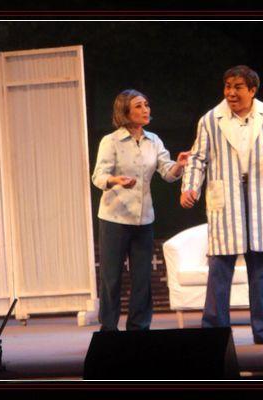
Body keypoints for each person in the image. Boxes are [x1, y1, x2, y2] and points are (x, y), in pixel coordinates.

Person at [180, 65, 263, 344]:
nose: (231, 93)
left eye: (237, 87)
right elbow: (198, 158)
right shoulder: (211, 119)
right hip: (227, 199)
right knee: (219, 270)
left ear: (252, 90)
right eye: (227, 87)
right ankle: (214, 331)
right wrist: (190, 187)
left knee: (262, 272)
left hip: (261, 196)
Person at [92, 89, 190, 331]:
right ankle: (109, 328)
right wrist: (116, 180)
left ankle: (138, 327)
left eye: (146, 104)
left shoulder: (153, 140)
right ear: (125, 111)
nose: (145, 110)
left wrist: (179, 165)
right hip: (114, 218)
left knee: (142, 278)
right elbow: (98, 176)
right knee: (111, 277)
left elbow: (167, 172)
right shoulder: (111, 141)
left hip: (143, 219)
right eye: (138, 106)